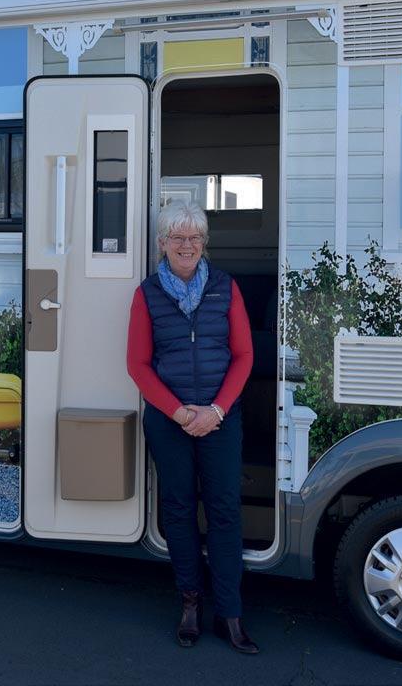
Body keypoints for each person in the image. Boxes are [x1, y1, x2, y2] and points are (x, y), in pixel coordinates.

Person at [126, 201, 257, 654]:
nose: (187, 245)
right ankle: (190, 605)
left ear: (204, 243)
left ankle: (230, 614)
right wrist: (181, 413)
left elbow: (244, 357)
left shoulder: (225, 288)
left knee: (223, 512)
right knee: (179, 511)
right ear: (162, 243)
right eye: (177, 237)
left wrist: (216, 411)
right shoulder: (147, 294)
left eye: (195, 237)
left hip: (221, 419)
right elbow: (138, 366)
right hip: (169, 421)